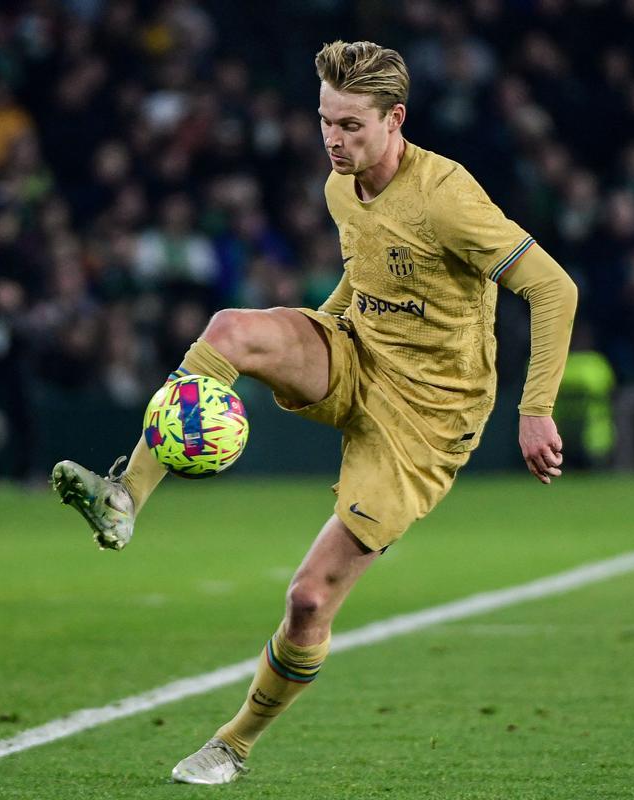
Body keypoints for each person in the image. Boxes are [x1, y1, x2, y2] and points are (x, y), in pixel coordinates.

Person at [52, 40, 578, 783]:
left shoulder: (447, 197)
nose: (334, 139)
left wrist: (536, 409)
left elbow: (555, 289)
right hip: (357, 354)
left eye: (352, 126)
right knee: (232, 328)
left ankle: (233, 742)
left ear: (395, 119)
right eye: (325, 121)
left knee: (307, 600)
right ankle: (124, 496)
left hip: (426, 419)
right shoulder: (341, 184)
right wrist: (312, 330)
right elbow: (364, 277)